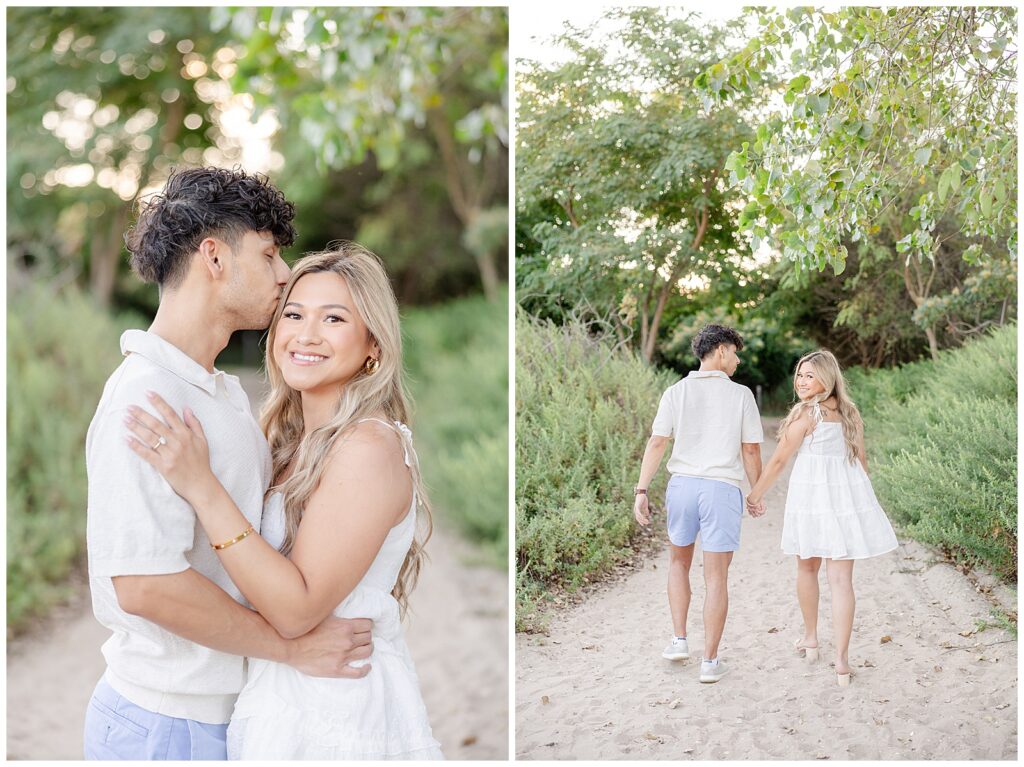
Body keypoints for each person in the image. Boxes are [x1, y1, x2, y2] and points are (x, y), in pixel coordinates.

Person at [84, 168, 373, 761]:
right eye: (268, 255)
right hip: (166, 724)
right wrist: (289, 648)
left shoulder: (217, 392)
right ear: (214, 258)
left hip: (223, 717)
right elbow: (143, 584)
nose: (284, 275)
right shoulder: (148, 400)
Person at [124, 244, 443, 759]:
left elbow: (296, 611)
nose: (306, 335)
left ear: (373, 345)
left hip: (335, 701)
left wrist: (203, 487)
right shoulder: (287, 439)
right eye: (293, 314)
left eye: (334, 318)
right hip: (282, 691)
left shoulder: (368, 447)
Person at [745, 350, 898, 686]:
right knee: (841, 580)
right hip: (844, 499)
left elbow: (780, 461)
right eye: (799, 375)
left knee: (807, 567)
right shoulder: (850, 414)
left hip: (813, 499)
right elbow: (862, 463)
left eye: (810, 375)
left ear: (827, 378)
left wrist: (755, 494)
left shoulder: (806, 415)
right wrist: (864, 504)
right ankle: (841, 662)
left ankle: (812, 638)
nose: (801, 382)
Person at [633, 324, 765, 684]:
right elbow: (751, 449)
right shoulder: (741, 397)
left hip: (683, 487)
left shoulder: (675, 392)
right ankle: (709, 662)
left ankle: (678, 640)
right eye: (735, 353)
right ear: (720, 350)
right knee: (716, 576)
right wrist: (756, 492)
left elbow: (657, 442)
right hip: (721, 489)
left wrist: (641, 490)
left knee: (678, 563)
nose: (737, 361)